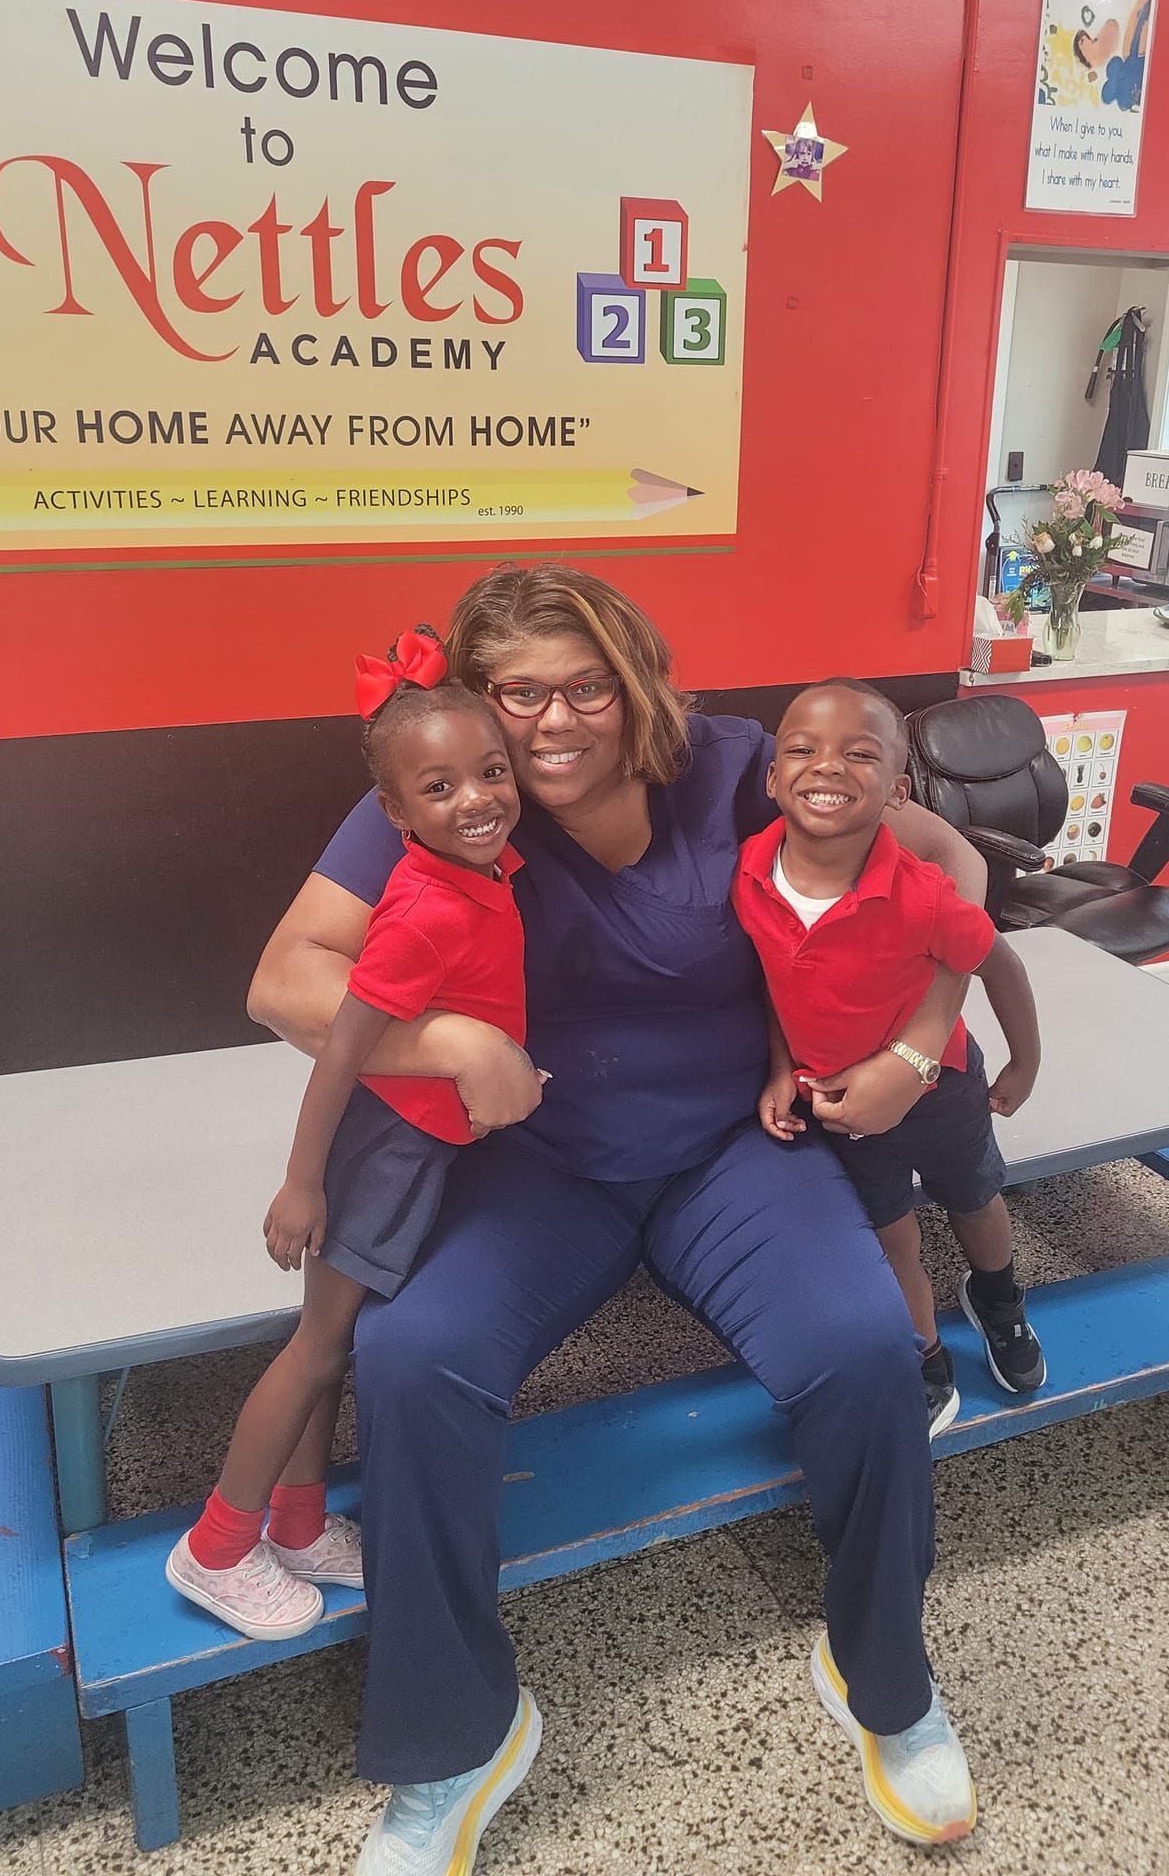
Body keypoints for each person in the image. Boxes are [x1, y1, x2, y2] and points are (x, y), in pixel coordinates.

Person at [246, 564, 991, 1874]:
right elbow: (284, 981)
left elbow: (951, 875)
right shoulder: (447, 791)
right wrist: (449, 1042)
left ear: (637, 678)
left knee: (870, 1352)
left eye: (585, 685)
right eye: (516, 692)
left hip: (729, 1145)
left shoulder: (741, 764)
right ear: (476, 702)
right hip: (532, 1159)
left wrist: (903, 1052)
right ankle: (460, 1736)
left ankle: (885, 1676)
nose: (551, 724)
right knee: (412, 1361)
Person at [167, 627, 530, 1643]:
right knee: (320, 1347)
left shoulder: (485, 870)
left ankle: (294, 1518)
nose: (478, 800)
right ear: (393, 811)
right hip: (382, 1149)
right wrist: (302, 1182)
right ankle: (216, 1546)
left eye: (491, 772)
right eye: (442, 786)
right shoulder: (420, 908)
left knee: (336, 1344)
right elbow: (340, 1052)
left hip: (407, 1142)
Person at [731, 679, 1045, 1440]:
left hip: (944, 1090)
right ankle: (925, 1352)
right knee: (889, 1231)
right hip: (834, 1103)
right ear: (773, 780)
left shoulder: (924, 894)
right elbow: (777, 984)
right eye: (801, 750)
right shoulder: (749, 873)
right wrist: (780, 1066)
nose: (827, 766)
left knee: (974, 1198)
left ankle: (998, 1299)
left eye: (859, 755)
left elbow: (999, 965)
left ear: (897, 791)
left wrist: (1024, 1063)